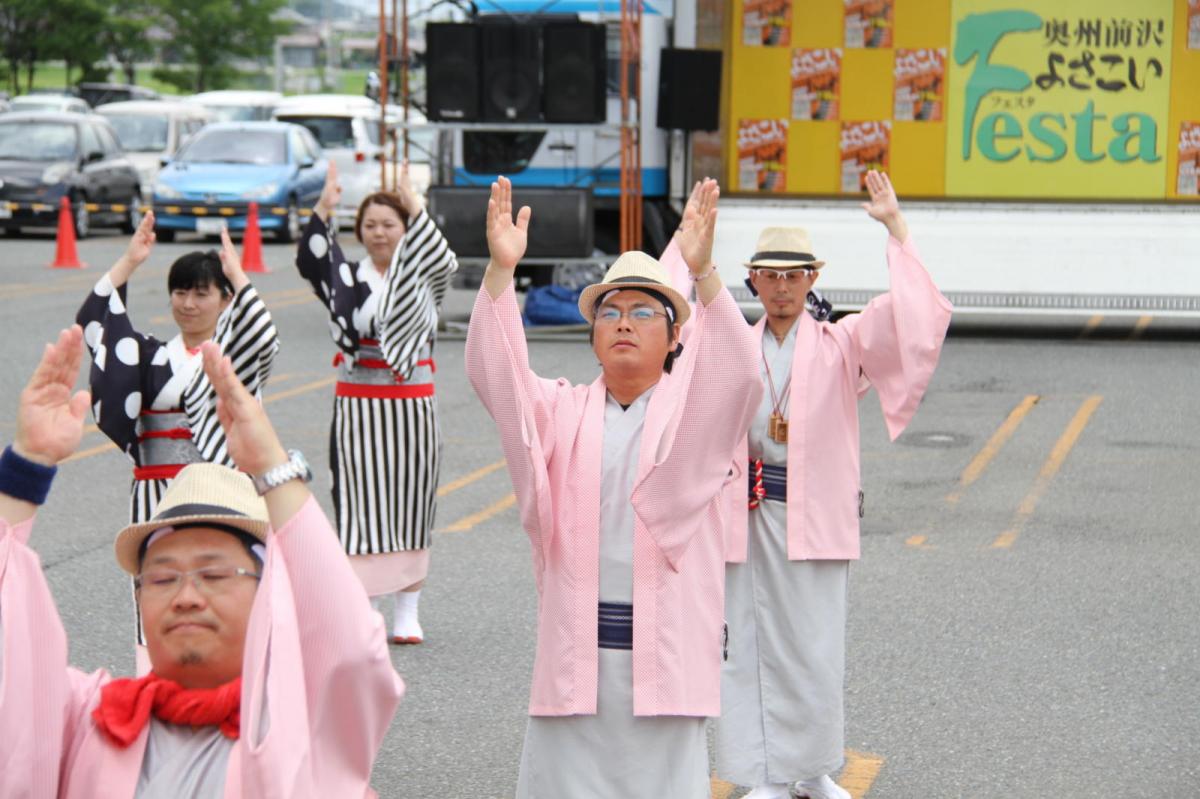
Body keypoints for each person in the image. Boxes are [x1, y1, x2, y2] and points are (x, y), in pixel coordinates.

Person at [0, 325, 404, 797]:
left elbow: (349, 645)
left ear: (268, 591)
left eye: (213, 573)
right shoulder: (88, 719)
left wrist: (272, 468)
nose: (186, 597)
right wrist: (25, 470)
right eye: (162, 577)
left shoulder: (306, 720)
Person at [466, 176, 762, 797]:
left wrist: (706, 277)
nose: (623, 323)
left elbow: (737, 375)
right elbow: (503, 382)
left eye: (643, 312)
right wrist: (499, 274)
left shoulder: (693, 415)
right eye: (611, 311)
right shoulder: (562, 410)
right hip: (578, 653)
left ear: (675, 335)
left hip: (666, 650)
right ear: (593, 332)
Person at [711, 170, 952, 799]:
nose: (783, 287)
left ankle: (812, 769)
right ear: (754, 280)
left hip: (815, 514)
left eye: (795, 275)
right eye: (771, 275)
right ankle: (762, 774)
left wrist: (896, 228)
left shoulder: (843, 342)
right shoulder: (738, 342)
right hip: (750, 511)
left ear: (813, 279)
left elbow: (911, 318)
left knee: (816, 651)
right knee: (751, 643)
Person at [76, 210, 279, 670]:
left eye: (202, 293)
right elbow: (98, 323)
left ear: (225, 301)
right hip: (155, 492)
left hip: (218, 490)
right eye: (180, 292)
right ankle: (151, 681)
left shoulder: (236, 356)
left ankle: (232, 683)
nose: (188, 303)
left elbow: (264, 336)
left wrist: (239, 275)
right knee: (156, 585)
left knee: (221, 581)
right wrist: (130, 261)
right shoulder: (149, 354)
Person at [293, 161, 457, 644]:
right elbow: (312, 259)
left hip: (411, 398)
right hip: (357, 399)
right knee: (360, 500)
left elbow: (444, 259)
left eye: (389, 224)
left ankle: (409, 607)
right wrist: (324, 207)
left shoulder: (421, 274)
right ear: (358, 231)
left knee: (412, 498)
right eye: (370, 225)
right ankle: (368, 606)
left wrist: (412, 197)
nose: (379, 233)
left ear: (406, 229)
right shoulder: (345, 276)